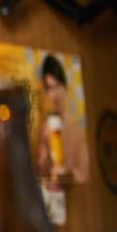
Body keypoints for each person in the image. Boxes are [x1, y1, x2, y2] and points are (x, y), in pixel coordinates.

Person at [36, 54, 90, 183]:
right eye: (49, 88)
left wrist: (69, 174)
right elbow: (40, 172)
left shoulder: (77, 129)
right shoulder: (44, 128)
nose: (54, 95)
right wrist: (46, 150)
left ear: (65, 87)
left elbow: (85, 172)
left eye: (58, 86)